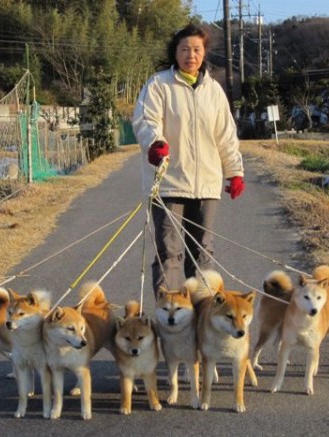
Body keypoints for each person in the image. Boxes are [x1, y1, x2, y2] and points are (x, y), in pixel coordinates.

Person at [132, 23, 245, 295]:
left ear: (204, 53)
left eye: (196, 49)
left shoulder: (214, 90)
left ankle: (202, 313)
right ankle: (170, 314)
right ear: (176, 52)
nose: (190, 55)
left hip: (206, 184)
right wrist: (155, 143)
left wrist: (235, 172)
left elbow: (226, 135)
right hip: (168, 183)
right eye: (184, 49)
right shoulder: (159, 84)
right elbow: (146, 120)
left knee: (202, 250)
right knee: (168, 252)